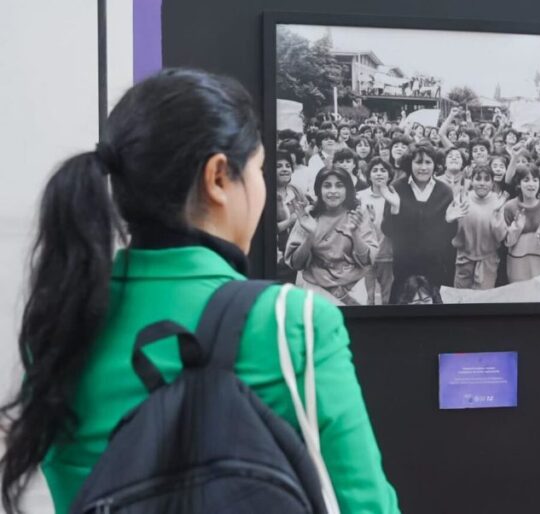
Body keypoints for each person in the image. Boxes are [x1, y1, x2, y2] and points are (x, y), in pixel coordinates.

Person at [0, 69, 399, 514]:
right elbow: (367, 505)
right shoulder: (293, 322)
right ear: (217, 178)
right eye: (259, 169)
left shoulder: (63, 323)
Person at [285, 166, 379, 305]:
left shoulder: (358, 214)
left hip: (353, 292)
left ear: (347, 190)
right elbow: (295, 263)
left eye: (339, 186)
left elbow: (367, 260)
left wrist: (355, 234)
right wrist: (310, 235)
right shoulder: (308, 215)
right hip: (315, 292)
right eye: (327, 186)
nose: (333, 191)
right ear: (319, 190)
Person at [381, 145, 459, 302]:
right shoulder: (397, 188)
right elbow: (388, 231)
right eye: (418, 162)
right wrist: (395, 210)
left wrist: (448, 221)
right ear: (410, 163)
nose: (423, 167)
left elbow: (448, 237)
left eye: (428, 162)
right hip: (404, 265)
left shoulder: (444, 191)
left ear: (435, 165)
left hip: (435, 266)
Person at [502, 164, 540, 301]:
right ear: (518, 184)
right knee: (520, 299)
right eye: (526, 180)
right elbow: (507, 242)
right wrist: (517, 228)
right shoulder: (510, 207)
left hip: (539, 260)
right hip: (517, 262)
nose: (531, 184)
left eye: (535, 180)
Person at [451, 166, 508, 289]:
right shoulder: (463, 198)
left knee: (483, 301)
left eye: (487, 179)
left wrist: (496, 214)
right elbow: (454, 234)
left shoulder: (497, 201)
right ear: (471, 181)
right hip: (464, 260)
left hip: (488, 261)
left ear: (492, 183)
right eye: (478, 179)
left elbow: (501, 236)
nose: (482, 183)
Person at [357, 157, 396, 305]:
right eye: (375, 170)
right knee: (367, 298)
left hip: (388, 255)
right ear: (368, 175)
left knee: (387, 299)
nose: (379, 174)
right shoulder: (360, 197)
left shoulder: (395, 196)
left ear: (390, 175)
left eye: (383, 170)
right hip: (365, 256)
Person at [276, 150, 308, 284]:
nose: (285, 169)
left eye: (288, 166)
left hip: (296, 253)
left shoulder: (295, 190)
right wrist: (291, 220)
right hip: (277, 258)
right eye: (279, 166)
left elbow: (307, 213)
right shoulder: (265, 192)